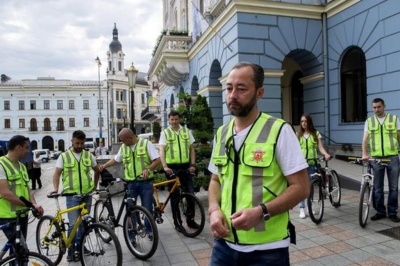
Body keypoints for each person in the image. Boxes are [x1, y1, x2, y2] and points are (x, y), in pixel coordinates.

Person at [207, 62, 309, 265]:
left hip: (267, 251)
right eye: (229, 88)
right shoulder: (222, 133)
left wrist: (261, 212)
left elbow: (302, 188)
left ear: (259, 93)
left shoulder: (279, 131)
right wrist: (214, 210)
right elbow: (215, 180)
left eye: (241, 88)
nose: (233, 95)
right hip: (223, 247)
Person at [99, 128, 160, 242]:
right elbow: (116, 160)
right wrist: (104, 166)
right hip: (130, 184)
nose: (122, 142)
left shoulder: (146, 144)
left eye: (123, 140)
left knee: (147, 208)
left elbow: (157, 160)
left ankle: (149, 230)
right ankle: (131, 236)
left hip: (145, 183)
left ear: (130, 138)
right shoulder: (124, 147)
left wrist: (148, 169)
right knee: (130, 210)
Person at [52, 130, 100, 262]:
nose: (79, 146)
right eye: (77, 143)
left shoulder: (88, 155)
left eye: (82, 143)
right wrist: (55, 189)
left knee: (84, 224)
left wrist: (94, 187)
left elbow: (97, 171)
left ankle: (81, 247)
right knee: (73, 225)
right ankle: (71, 251)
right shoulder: (64, 156)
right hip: (72, 196)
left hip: (86, 195)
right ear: (72, 141)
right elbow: (56, 174)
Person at [0, 135, 44, 256]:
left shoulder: (22, 166)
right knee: (22, 251)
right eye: (26, 147)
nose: (28, 151)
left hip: (22, 215)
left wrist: (34, 204)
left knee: (16, 253)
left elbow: (27, 190)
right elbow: (5, 193)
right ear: (18, 147)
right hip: (7, 216)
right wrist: (30, 205)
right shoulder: (1, 164)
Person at [362, 98, 400, 223]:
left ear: (384, 106)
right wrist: (364, 154)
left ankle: (392, 212)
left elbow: (399, 137)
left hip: (392, 157)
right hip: (376, 158)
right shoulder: (369, 121)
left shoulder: (394, 119)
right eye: (374, 107)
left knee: (393, 188)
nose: (376, 110)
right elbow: (365, 139)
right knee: (377, 187)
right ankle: (380, 211)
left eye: (378, 107)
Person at [159, 110, 198, 232]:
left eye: (176, 119)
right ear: (169, 120)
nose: (174, 121)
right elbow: (162, 151)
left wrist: (193, 164)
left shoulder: (186, 131)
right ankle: (177, 223)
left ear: (179, 119)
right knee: (175, 197)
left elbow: (192, 149)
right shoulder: (165, 133)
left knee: (190, 194)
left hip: (186, 166)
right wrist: (165, 167)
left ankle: (190, 220)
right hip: (172, 168)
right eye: (172, 119)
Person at [297, 114, 331, 219]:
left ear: (309, 122)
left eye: (306, 121)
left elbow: (320, 147)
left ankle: (310, 206)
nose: (304, 123)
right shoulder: (298, 134)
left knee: (310, 187)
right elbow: (295, 149)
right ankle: (302, 208)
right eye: (302, 121)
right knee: (302, 187)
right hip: (302, 165)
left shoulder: (316, 134)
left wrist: (325, 154)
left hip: (312, 163)